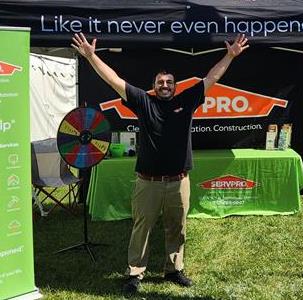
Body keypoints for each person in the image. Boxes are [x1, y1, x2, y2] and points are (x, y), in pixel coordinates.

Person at [71, 32, 249, 296]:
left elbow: (212, 77)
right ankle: (135, 273)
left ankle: (174, 269)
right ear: (154, 86)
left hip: (179, 181)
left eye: (169, 82)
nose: (165, 85)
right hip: (148, 182)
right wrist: (91, 56)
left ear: (175, 86)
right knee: (141, 228)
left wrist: (231, 55)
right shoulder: (144, 102)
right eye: (160, 82)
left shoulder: (186, 101)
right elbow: (114, 80)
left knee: (177, 228)